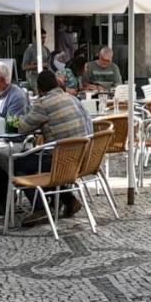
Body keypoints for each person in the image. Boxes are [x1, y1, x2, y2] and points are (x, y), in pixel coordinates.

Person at [14, 70, 96, 218]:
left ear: (39, 88)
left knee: (18, 164)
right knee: (40, 160)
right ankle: (69, 200)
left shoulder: (44, 103)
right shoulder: (72, 98)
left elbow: (22, 128)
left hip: (62, 160)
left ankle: (40, 208)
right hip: (83, 158)